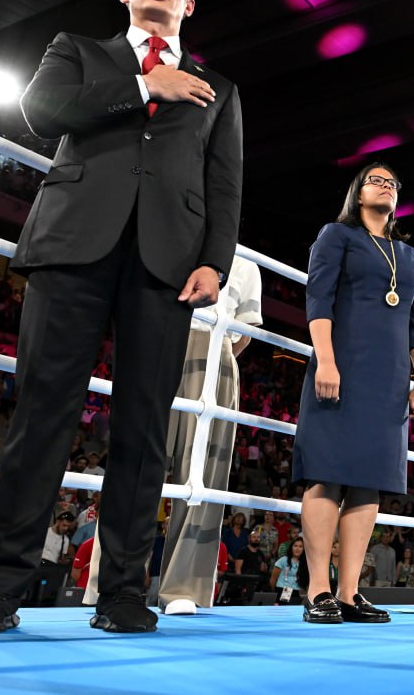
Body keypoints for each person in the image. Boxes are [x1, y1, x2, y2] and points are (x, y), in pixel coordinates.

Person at [0, 0, 243, 635]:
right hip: (72, 247)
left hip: (168, 265)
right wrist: (145, 87)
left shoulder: (220, 90)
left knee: (144, 429)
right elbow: (42, 110)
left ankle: (122, 592)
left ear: (189, 2)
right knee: (42, 415)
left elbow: (225, 183)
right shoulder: (77, 50)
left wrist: (216, 262)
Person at [294, 162, 414, 625]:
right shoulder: (337, 235)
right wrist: (326, 360)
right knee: (326, 474)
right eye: (376, 179)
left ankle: (349, 592)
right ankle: (318, 589)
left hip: (389, 379)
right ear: (357, 192)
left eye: (392, 183)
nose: (385, 186)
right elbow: (319, 298)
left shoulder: (410, 257)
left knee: (370, 481)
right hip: (342, 365)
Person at [136, 254, 261, 616]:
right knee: (139, 459)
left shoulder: (246, 264)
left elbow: (244, 334)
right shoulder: (167, 242)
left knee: (202, 474)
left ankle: (183, 586)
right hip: (161, 340)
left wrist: (216, 352)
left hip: (216, 348)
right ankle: (112, 576)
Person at [270, 537, 305, 605]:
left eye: (300, 546)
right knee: (285, 609)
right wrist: (274, 593)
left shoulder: (303, 563)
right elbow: (273, 579)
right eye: (295, 546)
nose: (297, 548)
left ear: (303, 549)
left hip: (296, 591)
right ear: (291, 547)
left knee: (294, 610)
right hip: (284, 589)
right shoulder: (283, 560)